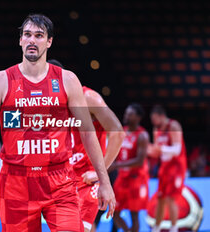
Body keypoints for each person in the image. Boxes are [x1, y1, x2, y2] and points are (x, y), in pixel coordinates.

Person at [0, 14, 115, 231]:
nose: (32, 41)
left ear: (49, 42)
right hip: (16, 181)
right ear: (20, 40)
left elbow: (87, 133)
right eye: (27, 35)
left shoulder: (68, 80)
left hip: (60, 180)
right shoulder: (0, 81)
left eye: (39, 36)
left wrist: (105, 181)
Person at [48, 59, 125, 232]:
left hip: (86, 179)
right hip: (64, 179)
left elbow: (117, 132)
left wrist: (100, 171)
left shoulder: (88, 97)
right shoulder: (51, 104)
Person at [148, 105, 187, 232]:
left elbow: (177, 149)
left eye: (154, 119)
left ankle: (174, 228)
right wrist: (149, 151)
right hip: (164, 167)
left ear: (161, 116)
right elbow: (157, 152)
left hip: (177, 167)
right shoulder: (156, 129)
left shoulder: (173, 126)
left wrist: (160, 149)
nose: (153, 123)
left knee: (171, 198)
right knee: (160, 198)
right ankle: (157, 228)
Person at [111, 103, 149, 232]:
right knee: (114, 213)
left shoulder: (142, 135)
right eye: (126, 113)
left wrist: (117, 165)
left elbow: (139, 161)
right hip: (122, 178)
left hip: (136, 179)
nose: (126, 115)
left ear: (138, 118)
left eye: (130, 114)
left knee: (134, 215)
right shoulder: (122, 131)